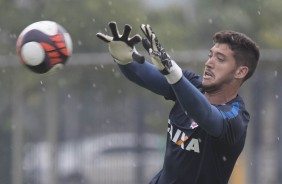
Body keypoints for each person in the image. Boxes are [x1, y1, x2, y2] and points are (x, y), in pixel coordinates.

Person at [96, 22, 260, 184]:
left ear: (240, 72)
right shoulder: (190, 84)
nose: (209, 63)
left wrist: (173, 74)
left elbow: (206, 115)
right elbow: (141, 73)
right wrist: (124, 58)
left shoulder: (236, 117)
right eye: (210, 55)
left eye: (220, 59)